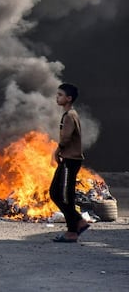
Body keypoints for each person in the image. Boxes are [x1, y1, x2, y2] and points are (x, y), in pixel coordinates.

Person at [49, 82, 88, 243]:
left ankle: (73, 231)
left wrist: (56, 151)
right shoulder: (68, 114)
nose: (57, 97)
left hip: (70, 161)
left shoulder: (70, 115)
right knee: (55, 193)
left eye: (60, 95)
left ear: (69, 98)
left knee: (65, 197)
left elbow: (65, 138)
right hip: (67, 160)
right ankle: (79, 221)